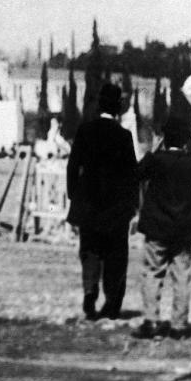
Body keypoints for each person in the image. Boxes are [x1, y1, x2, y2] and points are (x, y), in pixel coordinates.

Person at [66, 81, 139, 320]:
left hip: (88, 204)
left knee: (90, 250)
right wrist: (133, 207)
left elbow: (73, 166)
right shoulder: (124, 136)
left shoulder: (85, 131)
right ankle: (111, 303)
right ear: (118, 108)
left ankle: (90, 291)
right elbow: (131, 174)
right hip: (116, 208)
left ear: (99, 105)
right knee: (115, 255)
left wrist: (73, 196)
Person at [132, 115, 191, 339]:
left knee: (153, 274)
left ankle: (151, 321)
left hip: (156, 227)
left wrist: (154, 150)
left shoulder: (155, 161)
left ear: (164, 137)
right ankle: (179, 326)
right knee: (182, 276)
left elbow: (138, 173)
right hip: (183, 229)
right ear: (185, 140)